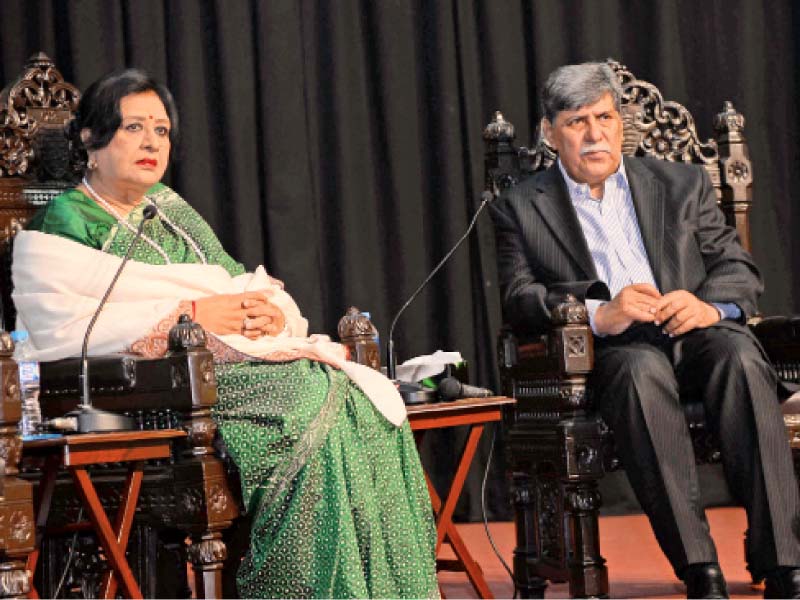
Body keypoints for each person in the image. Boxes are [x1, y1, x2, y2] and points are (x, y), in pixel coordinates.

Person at [11, 68, 439, 599]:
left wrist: (268, 313)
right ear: (90, 141)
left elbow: (238, 278)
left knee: (362, 405)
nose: (151, 143)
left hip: (223, 373)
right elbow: (60, 328)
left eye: (162, 131)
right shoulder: (58, 228)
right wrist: (190, 313)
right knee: (307, 402)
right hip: (148, 392)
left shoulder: (168, 210)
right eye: (134, 128)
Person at [490, 61, 800, 599]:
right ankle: (699, 567)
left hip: (695, 333)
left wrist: (710, 307)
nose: (595, 135)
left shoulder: (680, 184)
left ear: (620, 121)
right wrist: (596, 313)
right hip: (616, 349)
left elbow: (738, 269)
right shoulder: (520, 206)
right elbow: (519, 298)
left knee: (742, 358)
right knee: (639, 371)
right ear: (549, 132)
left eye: (605, 117)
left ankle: (785, 563)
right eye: (577, 121)